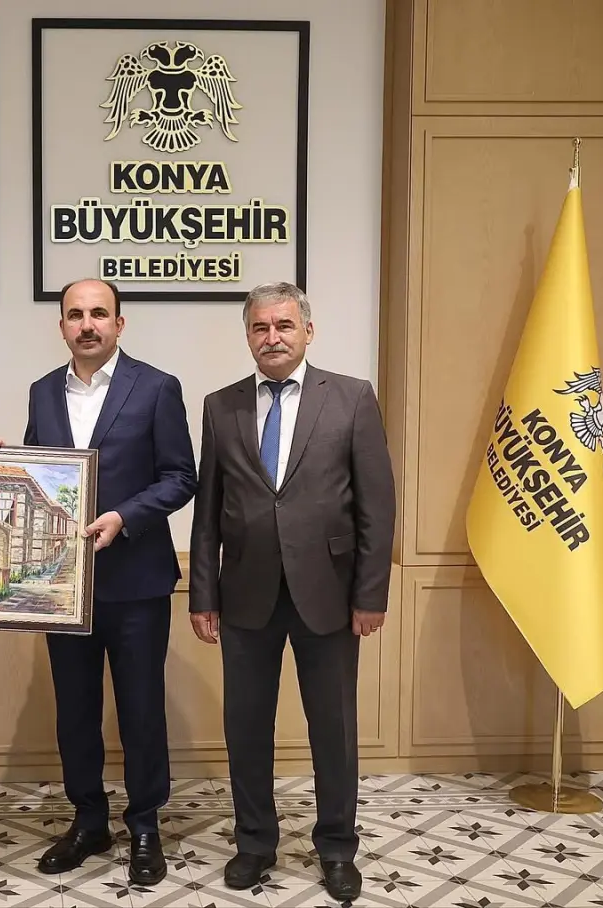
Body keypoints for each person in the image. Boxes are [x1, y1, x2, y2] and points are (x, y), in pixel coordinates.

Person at [188, 281, 395, 902]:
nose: (272, 337)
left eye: (283, 325)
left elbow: (377, 505)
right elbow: (207, 511)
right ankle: (254, 842)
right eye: (260, 327)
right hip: (244, 593)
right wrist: (203, 594)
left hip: (328, 594)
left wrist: (371, 593)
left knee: (333, 728)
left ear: (308, 331)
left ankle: (337, 847)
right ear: (248, 336)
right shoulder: (221, 406)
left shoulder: (352, 397)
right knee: (246, 727)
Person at [15, 278, 197, 885]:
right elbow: (41, 475)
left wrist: (124, 516)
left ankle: (144, 825)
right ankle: (88, 820)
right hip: (61, 586)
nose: (87, 324)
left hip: (137, 581)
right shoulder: (42, 392)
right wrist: (6, 469)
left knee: (141, 709)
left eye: (99, 313)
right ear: (62, 326)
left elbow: (180, 476)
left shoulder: (157, 387)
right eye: (75, 315)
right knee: (75, 711)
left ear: (120, 323)